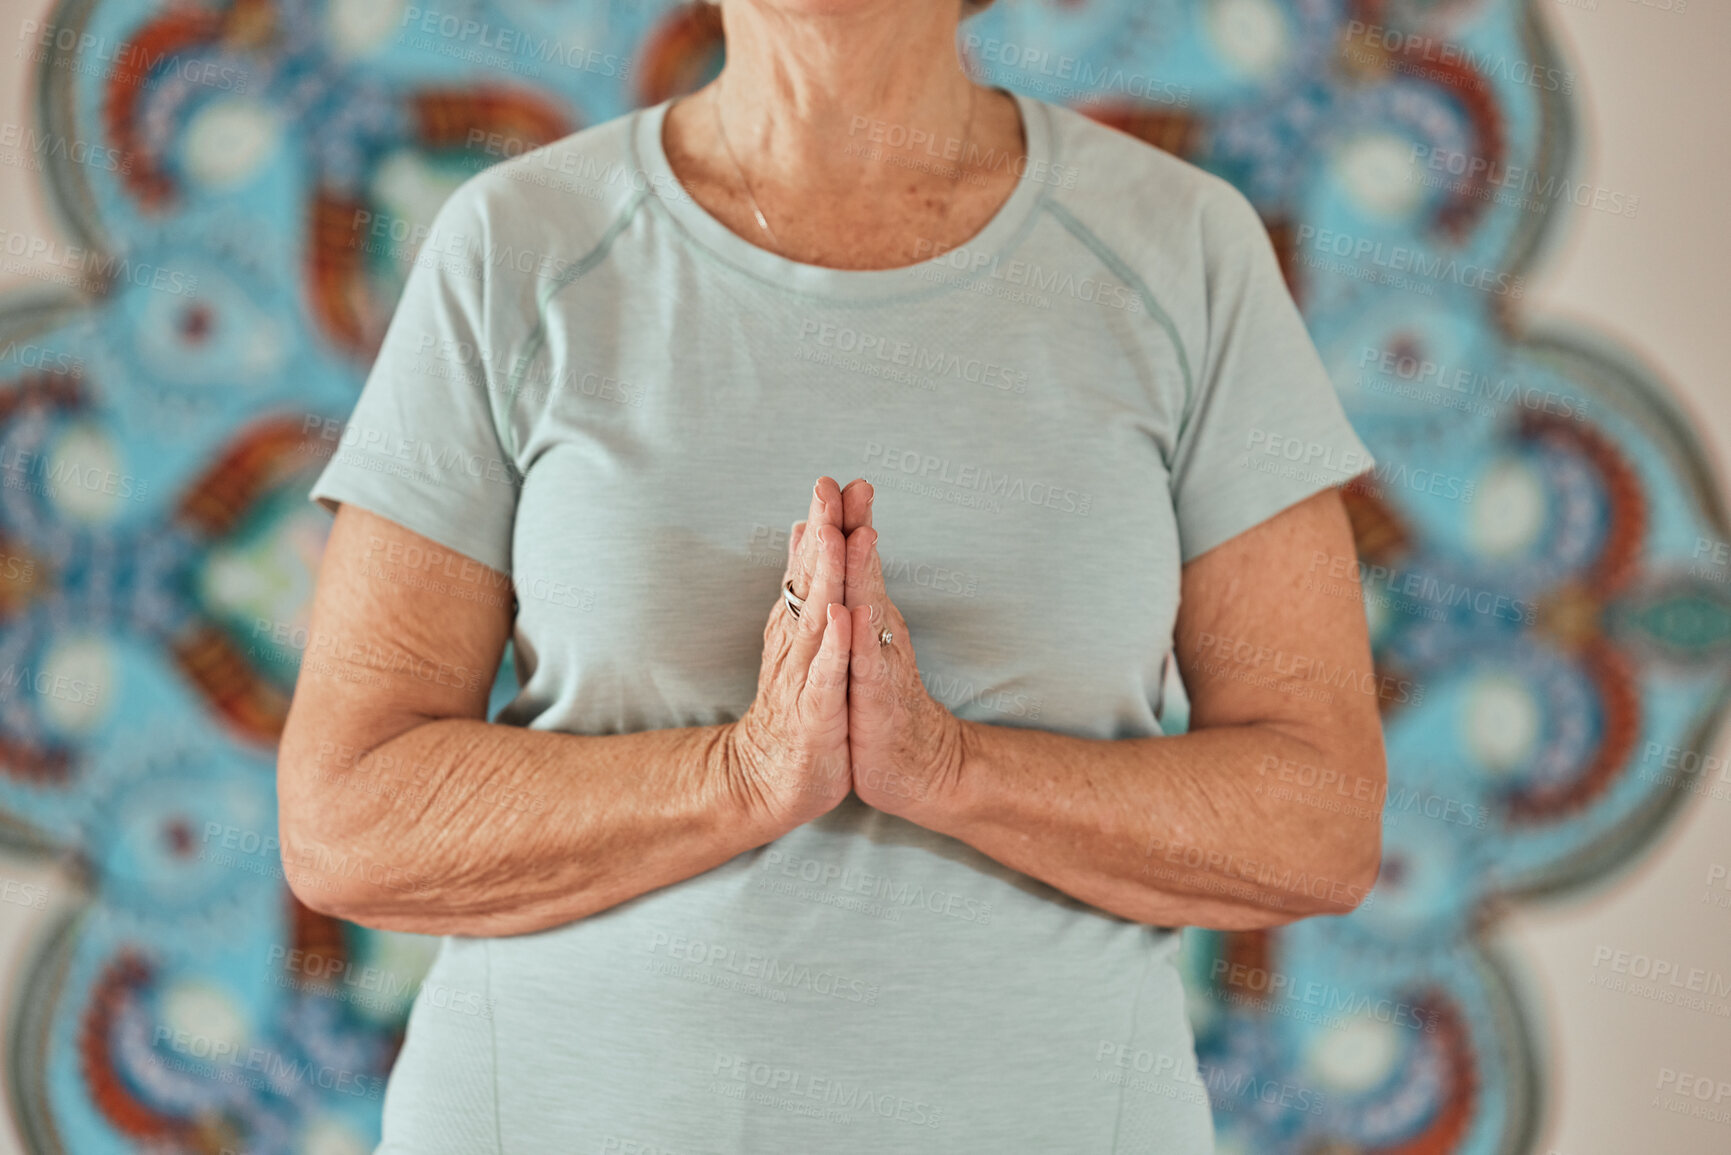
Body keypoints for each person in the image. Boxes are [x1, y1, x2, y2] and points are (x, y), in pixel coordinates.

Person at [278, 0, 1387, 1150]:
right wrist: (743, 777)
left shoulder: (1182, 248)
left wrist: (953, 770)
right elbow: (349, 819)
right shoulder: (516, 243)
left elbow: (1321, 819)